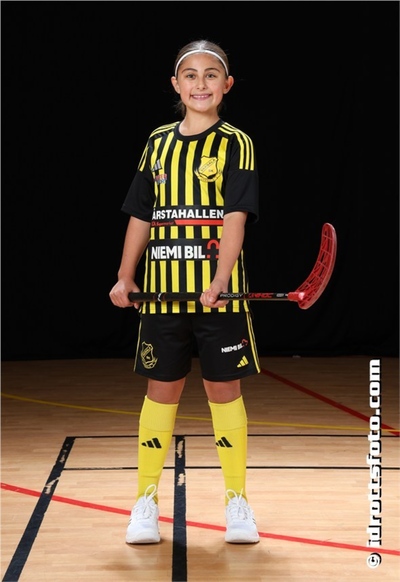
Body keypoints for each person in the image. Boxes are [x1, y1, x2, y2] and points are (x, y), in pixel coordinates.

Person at [109, 39, 261, 545]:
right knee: (161, 390)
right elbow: (141, 214)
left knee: (224, 391)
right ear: (176, 85)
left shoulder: (236, 143)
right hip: (163, 296)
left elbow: (235, 218)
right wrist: (125, 275)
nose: (201, 84)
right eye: (190, 75)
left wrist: (219, 279)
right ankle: (145, 501)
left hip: (220, 296)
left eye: (211, 74)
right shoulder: (157, 143)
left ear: (227, 85)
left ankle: (237, 502)